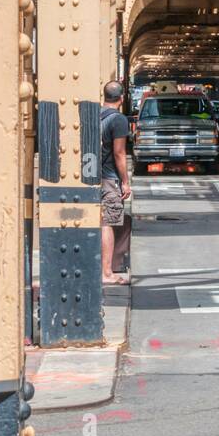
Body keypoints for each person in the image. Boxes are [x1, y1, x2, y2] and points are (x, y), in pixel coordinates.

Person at [100, 81, 132, 284]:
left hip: (89, 176)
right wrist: (125, 181)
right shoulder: (119, 120)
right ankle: (107, 273)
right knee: (107, 223)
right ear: (122, 98)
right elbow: (119, 153)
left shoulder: (93, 114)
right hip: (109, 177)